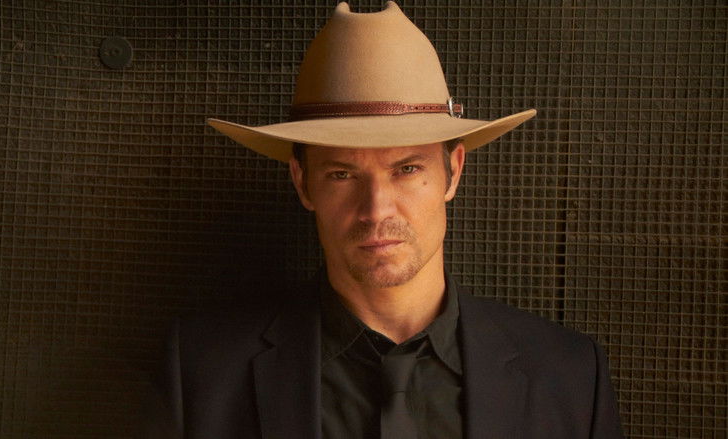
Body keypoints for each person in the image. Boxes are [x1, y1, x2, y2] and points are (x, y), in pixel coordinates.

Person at [141, 2, 624, 438]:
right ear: (302, 183)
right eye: (342, 174)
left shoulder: (571, 376)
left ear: (453, 171)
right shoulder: (203, 372)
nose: (376, 209)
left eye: (406, 169)